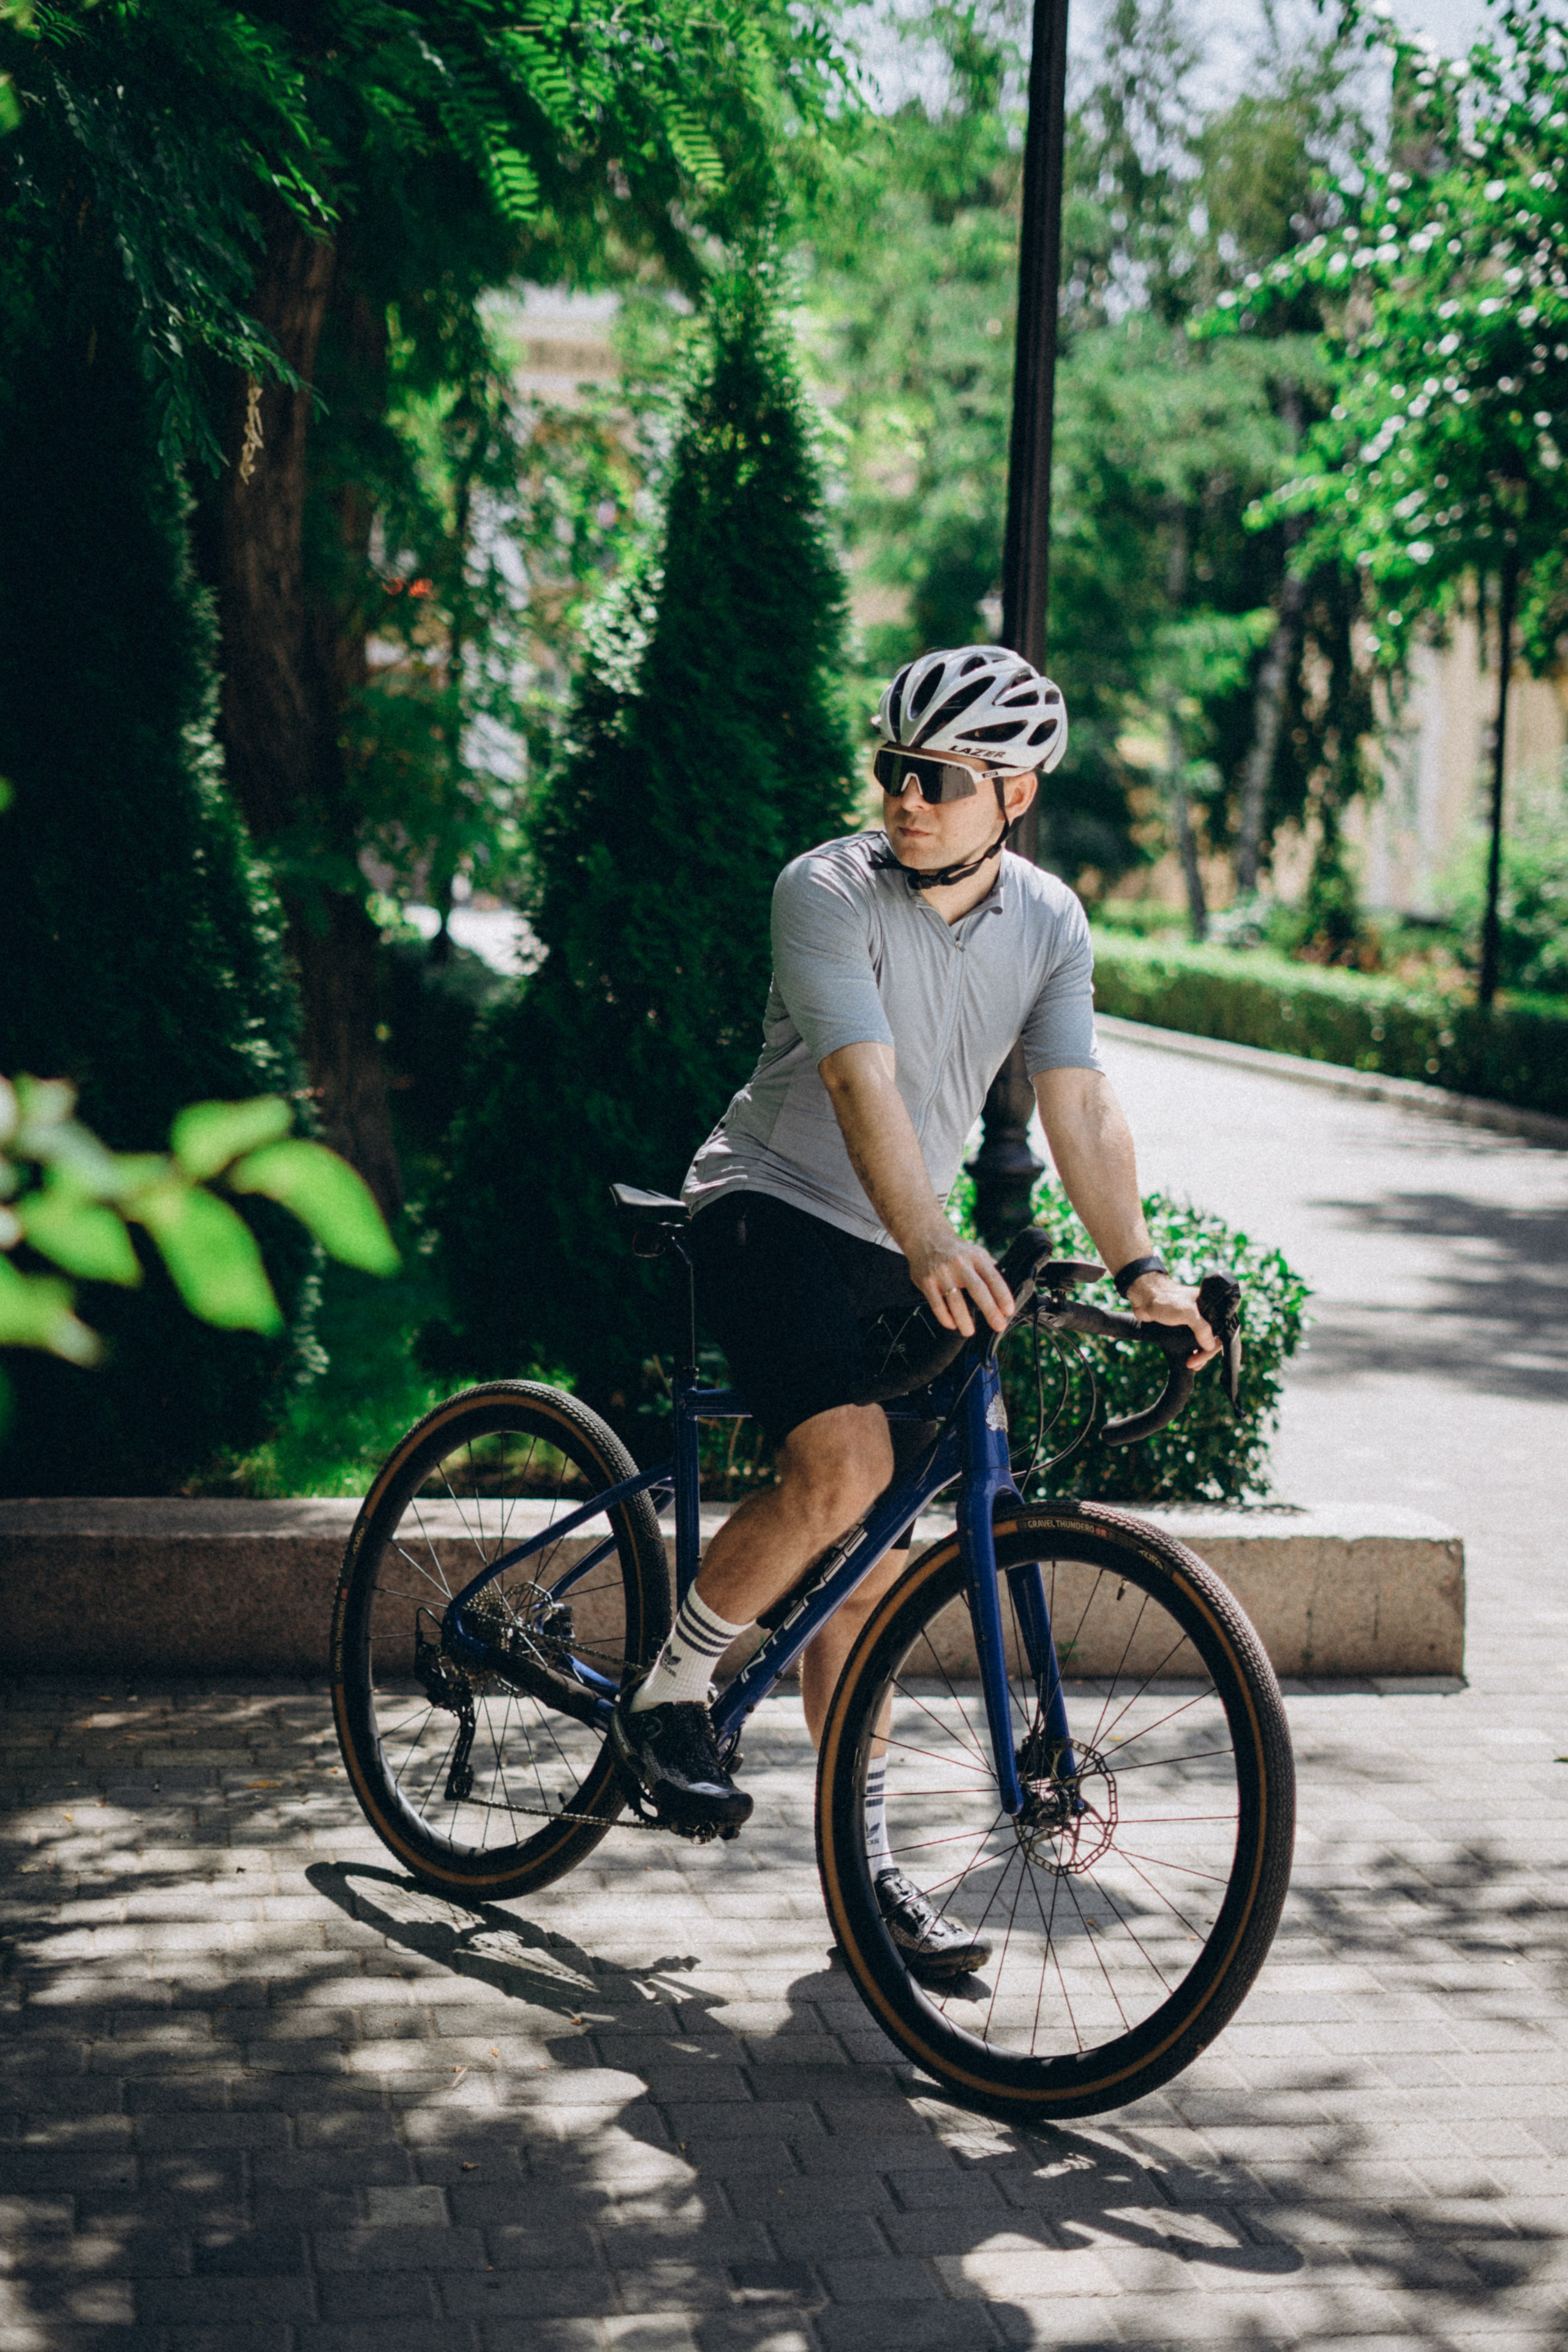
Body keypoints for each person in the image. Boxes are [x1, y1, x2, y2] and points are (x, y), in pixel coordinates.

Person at [611, 644, 1218, 1978]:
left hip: (893, 1233)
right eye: (890, 768)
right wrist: (933, 1235)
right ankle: (665, 1693)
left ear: (1011, 793)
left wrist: (1141, 1270)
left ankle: (860, 1871)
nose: (902, 796)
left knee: (870, 1569)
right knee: (841, 1470)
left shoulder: (1049, 921)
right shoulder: (825, 888)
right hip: (767, 1202)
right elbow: (856, 1082)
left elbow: (1077, 1103)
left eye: (935, 777)